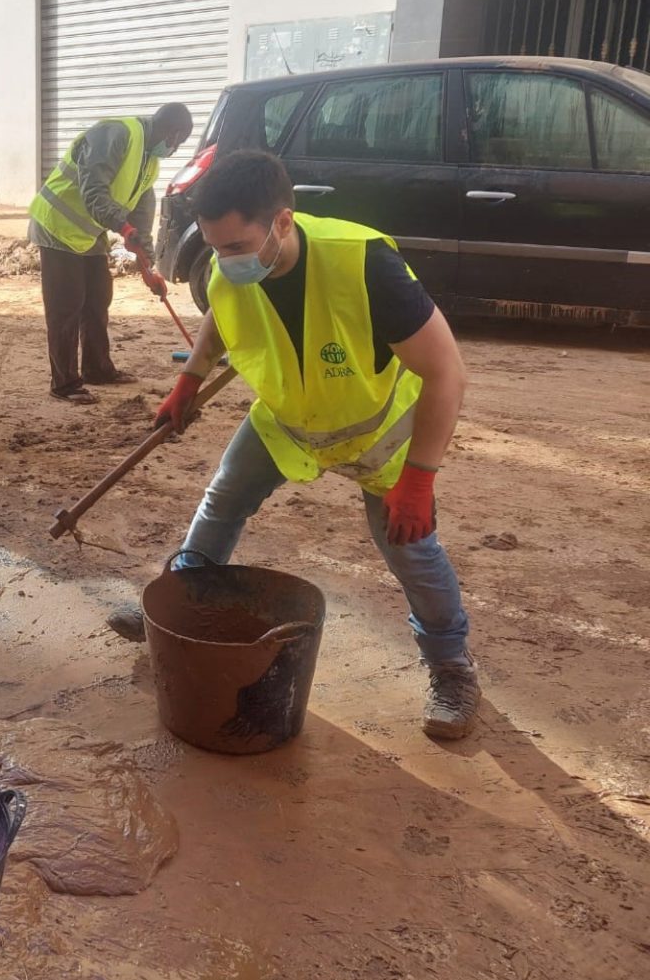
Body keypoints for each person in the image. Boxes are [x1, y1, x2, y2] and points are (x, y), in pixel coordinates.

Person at [123, 151, 479, 740]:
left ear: (282, 222)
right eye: (215, 248)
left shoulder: (364, 265)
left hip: (376, 434)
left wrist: (420, 477)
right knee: (223, 499)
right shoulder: (230, 265)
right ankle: (180, 605)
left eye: (237, 246)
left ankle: (453, 670)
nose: (225, 260)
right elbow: (221, 304)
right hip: (287, 418)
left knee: (410, 550)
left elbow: (447, 372)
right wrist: (190, 376)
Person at [28, 104, 193, 404]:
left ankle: (97, 368)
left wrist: (148, 267)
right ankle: (64, 383)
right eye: (178, 143)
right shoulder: (117, 134)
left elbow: (141, 218)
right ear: (173, 133)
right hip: (57, 223)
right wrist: (122, 226)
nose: (174, 149)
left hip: (88, 232)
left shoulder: (149, 162)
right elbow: (94, 192)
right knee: (67, 303)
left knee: (98, 297)